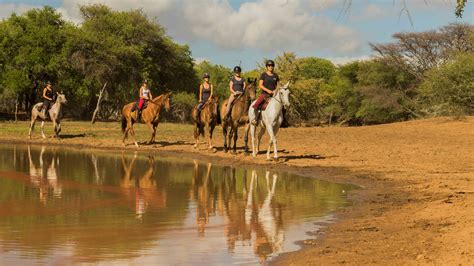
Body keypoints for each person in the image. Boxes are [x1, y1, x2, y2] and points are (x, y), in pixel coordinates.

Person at [251, 60, 289, 127]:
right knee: (257, 104)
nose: (270, 67)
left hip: (274, 95)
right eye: (269, 66)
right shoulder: (263, 75)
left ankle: (283, 121)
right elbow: (260, 85)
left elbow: (279, 84)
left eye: (272, 66)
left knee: (283, 106)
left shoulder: (275, 75)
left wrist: (281, 87)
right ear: (267, 67)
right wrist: (268, 90)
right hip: (264, 94)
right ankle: (255, 119)